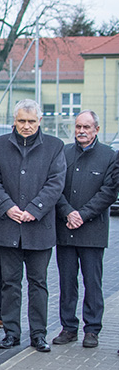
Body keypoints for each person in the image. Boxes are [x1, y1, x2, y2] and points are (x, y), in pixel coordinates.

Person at [0, 99, 66, 352]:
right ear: (14, 121)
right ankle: (11, 333)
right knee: (10, 283)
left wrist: (35, 209)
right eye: (22, 121)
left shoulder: (55, 146)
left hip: (39, 229)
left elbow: (56, 182)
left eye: (31, 121)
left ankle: (38, 334)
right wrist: (7, 206)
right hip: (9, 226)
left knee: (38, 283)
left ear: (40, 121)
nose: (27, 126)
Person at [52, 111, 118, 348]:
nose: (81, 131)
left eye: (87, 127)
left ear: (96, 130)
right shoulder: (64, 153)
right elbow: (54, 186)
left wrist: (82, 214)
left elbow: (109, 192)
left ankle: (92, 330)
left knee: (93, 282)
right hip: (66, 229)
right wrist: (67, 212)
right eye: (78, 126)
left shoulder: (109, 156)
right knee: (67, 282)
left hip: (92, 231)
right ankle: (68, 327)